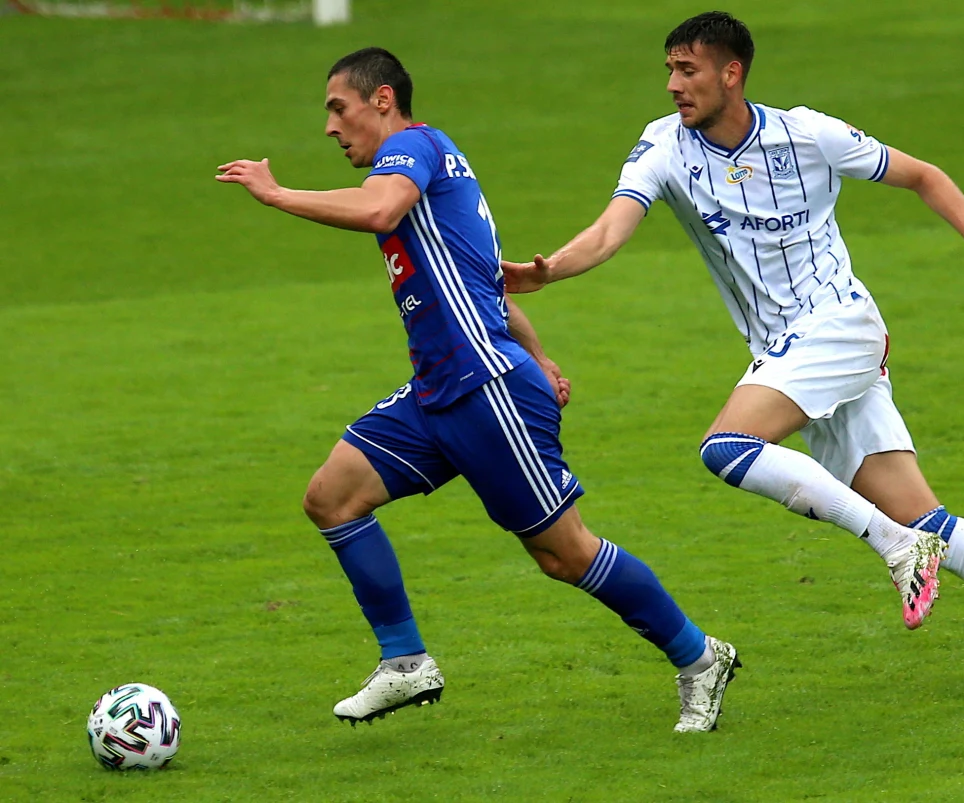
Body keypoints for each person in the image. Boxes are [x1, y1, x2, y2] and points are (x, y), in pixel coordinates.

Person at [501, 12, 964, 686]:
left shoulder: (807, 134)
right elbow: (608, 232)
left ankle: (896, 548)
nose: (672, 84)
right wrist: (550, 272)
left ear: (731, 73)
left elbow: (923, 174)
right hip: (791, 353)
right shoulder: (664, 147)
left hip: (840, 326)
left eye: (686, 70)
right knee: (928, 518)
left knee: (727, 447)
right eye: (668, 69)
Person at [216, 46, 738, 732]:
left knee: (564, 552)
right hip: (439, 390)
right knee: (332, 496)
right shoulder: (427, 179)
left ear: (381, 101)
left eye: (337, 108)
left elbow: (380, 210)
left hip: (487, 389)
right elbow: (484, 282)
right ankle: (404, 662)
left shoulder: (413, 150)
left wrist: (277, 193)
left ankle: (699, 656)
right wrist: (543, 355)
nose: (329, 127)